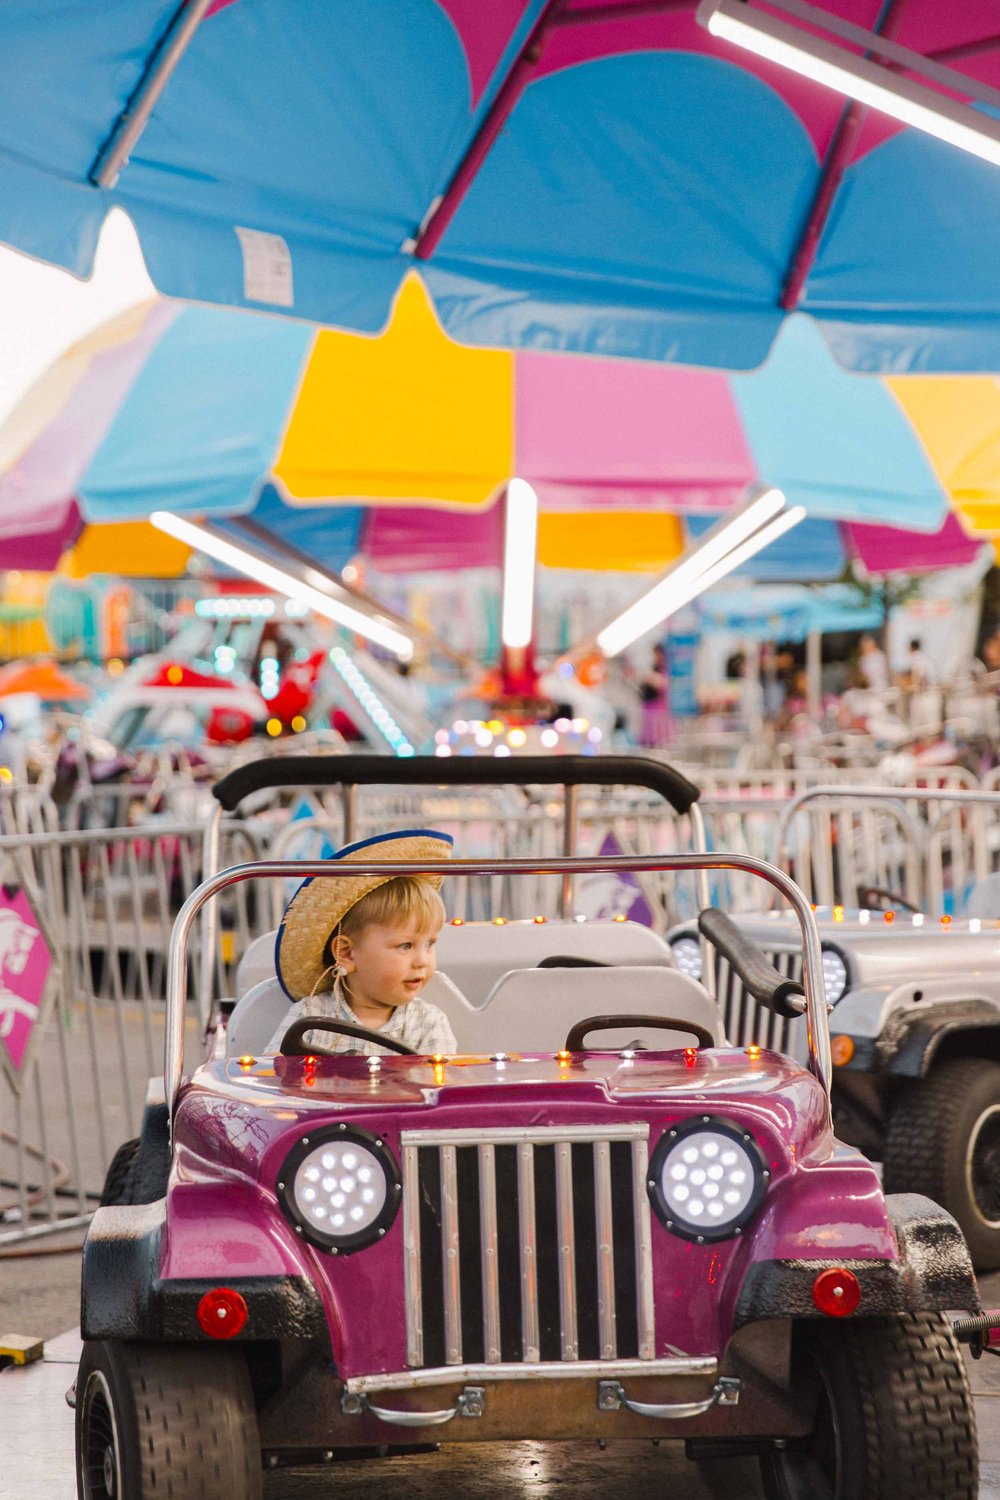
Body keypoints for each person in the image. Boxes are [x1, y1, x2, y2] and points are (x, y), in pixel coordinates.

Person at [265, 829, 457, 1057]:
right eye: (406, 946)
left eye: (429, 944)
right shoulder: (309, 1015)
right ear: (346, 953)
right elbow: (277, 1076)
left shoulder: (428, 1024)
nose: (422, 961)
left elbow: (436, 1089)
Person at [636, 642, 675, 746]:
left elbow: (664, 684)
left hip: (658, 709)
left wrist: (651, 678)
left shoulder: (666, 668)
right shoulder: (654, 667)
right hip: (649, 708)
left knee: (659, 738)